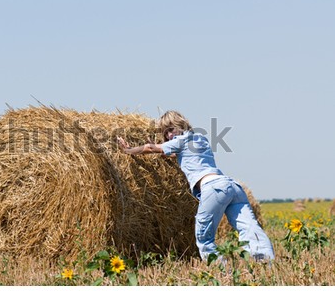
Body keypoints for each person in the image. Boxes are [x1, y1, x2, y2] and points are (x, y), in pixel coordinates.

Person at [117, 110, 275, 261]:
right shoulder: (200, 138)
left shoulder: (181, 140)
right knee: (249, 228)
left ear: (180, 124)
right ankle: (265, 262)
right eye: (165, 133)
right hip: (232, 187)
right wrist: (161, 150)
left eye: (171, 129)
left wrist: (128, 150)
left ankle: (220, 271)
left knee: (204, 238)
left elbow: (150, 148)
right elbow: (176, 154)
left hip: (213, 188)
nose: (169, 135)